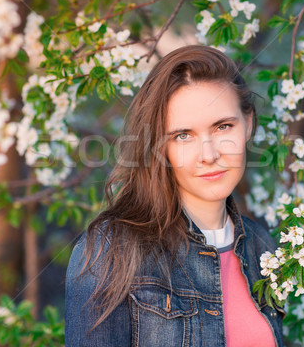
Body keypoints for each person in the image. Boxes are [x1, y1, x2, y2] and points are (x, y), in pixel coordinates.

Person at [64, 45, 285, 346]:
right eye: (183, 135)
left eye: (223, 126)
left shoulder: (262, 246)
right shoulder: (110, 252)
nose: (208, 155)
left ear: (248, 124)